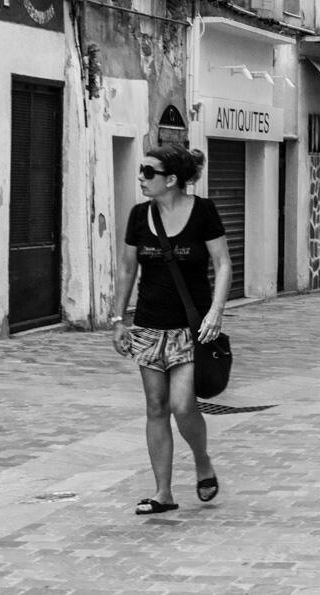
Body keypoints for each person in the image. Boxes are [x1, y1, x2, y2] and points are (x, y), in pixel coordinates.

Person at [111, 144, 231, 515]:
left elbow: (223, 263)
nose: (141, 178)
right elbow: (128, 270)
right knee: (155, 407)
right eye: (141, 171)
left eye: (149, 172)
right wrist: (118, 320)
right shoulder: (137, 216)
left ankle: (201, 460)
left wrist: (216, 312)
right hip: (149, 326)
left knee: (182, 405)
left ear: (172, 179)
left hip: (190, 329)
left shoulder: (202, 212)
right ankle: (163, 493)